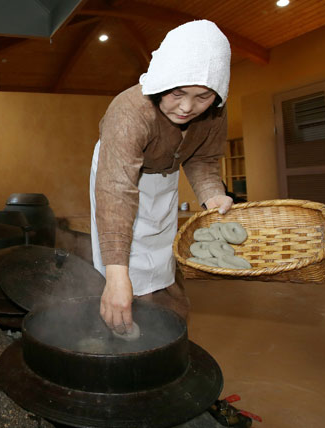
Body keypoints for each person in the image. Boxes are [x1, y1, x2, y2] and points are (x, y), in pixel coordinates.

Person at [89, 20, 234, 334]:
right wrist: (116, 278)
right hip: (118, 176)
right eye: (178, 93)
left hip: (164, 181)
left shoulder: (215, 114)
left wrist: (212, 193)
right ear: (161, 80)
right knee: (120, 266)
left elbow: (203, 159)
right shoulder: (129, 111)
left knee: (160, 258)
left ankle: (165, 326)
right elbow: (116, 190)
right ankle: (115, 310)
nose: (186, 108)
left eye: (202, 97)